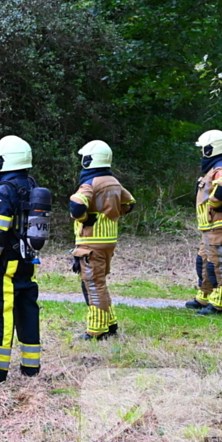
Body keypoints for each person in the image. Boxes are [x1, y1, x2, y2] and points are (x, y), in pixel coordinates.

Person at [0, 135, 42, 382]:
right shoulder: (32, 184)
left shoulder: (5, 190)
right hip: (28, 257)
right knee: (27, 308)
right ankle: (31, 366)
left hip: (6, 263)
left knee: (2, 311)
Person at [69, 140, 136, 339]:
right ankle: (110, 322)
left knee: (92, 284)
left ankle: (97, 330)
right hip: (108, 240)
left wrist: (85, 218)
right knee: (99, 282)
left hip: (91, 241)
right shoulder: (113, 181)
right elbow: (130, 203)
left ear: (90, 160)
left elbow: (76, 205)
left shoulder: (91, 183)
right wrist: (113, 215)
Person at [184, 130, 222, 315]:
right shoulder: (216, 166)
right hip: (211, 226)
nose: (201, 152)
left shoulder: (221, 168)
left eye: (203, 148)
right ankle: (205, 297)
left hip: (220, 224)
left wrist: (214, 204)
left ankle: (220, 304)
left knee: (218, 264)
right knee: (204, 261)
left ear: (211, 149)